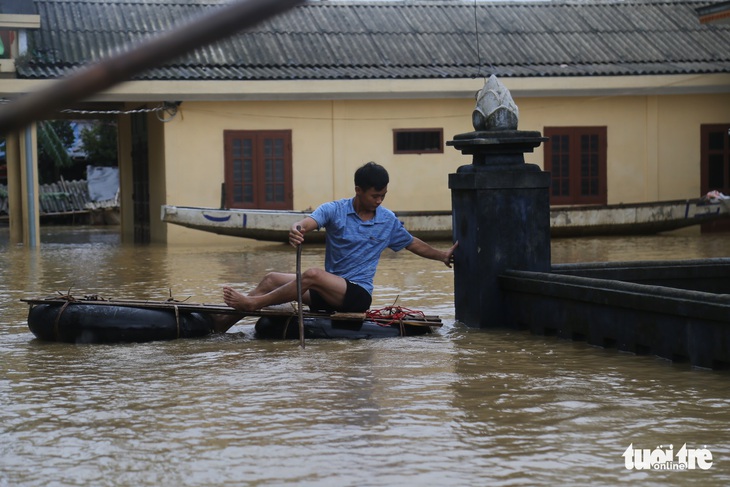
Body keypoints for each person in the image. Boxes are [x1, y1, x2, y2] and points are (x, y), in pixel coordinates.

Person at [214, 162, 458, 332]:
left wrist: (442, 255)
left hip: (356, 295)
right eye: (375, 196)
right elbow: (308, 222)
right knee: (270, 279)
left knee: (312, 274)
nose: (379, 200)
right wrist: (297, 229)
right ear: (358, 191)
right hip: (327, 291)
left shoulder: (387, 220)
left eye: (383, 195)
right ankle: (216, 329)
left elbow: (413, 243)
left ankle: (253, 304)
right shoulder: (335, 210)